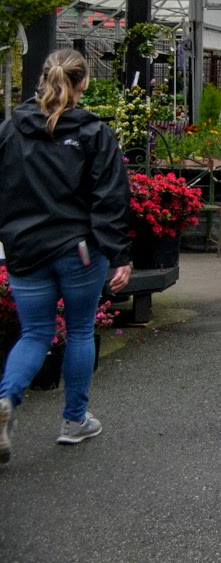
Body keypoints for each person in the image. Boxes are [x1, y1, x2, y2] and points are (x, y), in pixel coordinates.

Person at [0, 49, 132, 462]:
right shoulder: (94, 132)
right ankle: (74, 421)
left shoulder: (10, 129)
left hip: (25, 248)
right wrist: (120, 253)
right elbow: (110, 198)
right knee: (78, 332)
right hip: (79, 250)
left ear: (42, 78)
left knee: (35, 333)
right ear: (83, 83)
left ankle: (5, 400)